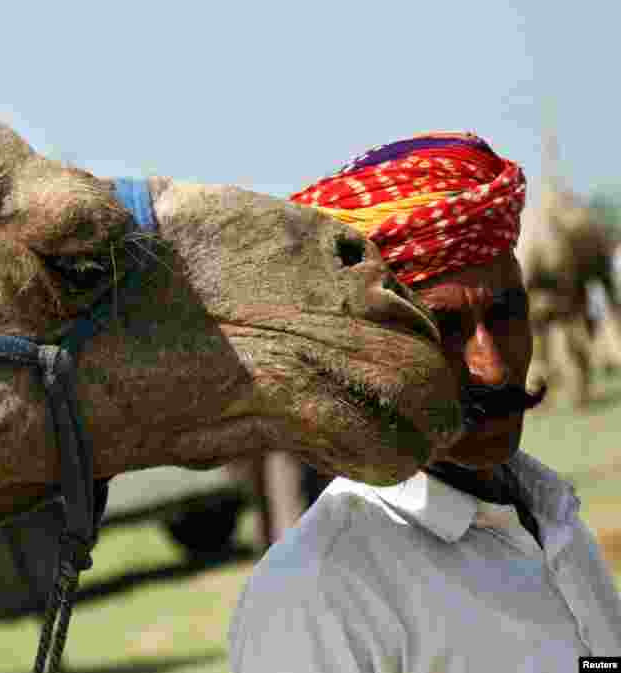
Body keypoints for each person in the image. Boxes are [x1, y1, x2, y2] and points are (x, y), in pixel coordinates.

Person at [229, 133, 621, 672]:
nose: (494, 366)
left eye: (506, 314)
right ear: (375, 350)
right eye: (447, 329)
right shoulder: (318, 597)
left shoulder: (554, 518)